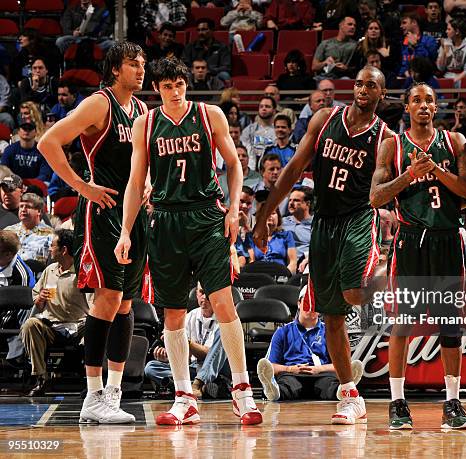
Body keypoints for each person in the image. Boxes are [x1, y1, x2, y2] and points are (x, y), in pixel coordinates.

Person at [114, 57, 262, 426]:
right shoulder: (144, 124)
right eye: (168, 86)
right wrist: (126, 231)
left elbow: (234, 163)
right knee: (174, 312)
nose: (176, 91)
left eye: (180, 84)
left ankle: (243, 392)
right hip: (165, 219)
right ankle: (183, 397)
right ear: (158, 89)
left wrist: (232, 208)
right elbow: (135, 183)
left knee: (223, 301)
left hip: (206, 216)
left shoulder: (210, 114)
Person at [253, 66, 394, 425]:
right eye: (360, 83)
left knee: (353, 295)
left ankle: (387, 271)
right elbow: (294, 168)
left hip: (359, 219)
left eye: (372, 85)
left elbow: (381, 187)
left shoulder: (385, 137)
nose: (364, 89)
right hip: (325, 224)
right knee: (331, 316)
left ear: (382, 94)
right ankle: (350, 395)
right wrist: (265, 212)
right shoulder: (324, 119)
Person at [39, 41, 149, 424]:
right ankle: (92, 395)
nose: (141, 69)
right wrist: (81, 186)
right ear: (116, 69)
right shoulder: (99, 104)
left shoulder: (142, 110)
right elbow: (48, 141)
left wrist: (147, 184)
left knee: (125, 303)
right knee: (107, 297)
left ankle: (113, 395)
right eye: (133, 64)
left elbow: (141, 162)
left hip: (133, 212)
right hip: (102, 210)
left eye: (143, 64)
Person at [370, 83, 466, 430]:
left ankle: (453, 403)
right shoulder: (392, 146)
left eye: (429, 100)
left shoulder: (455, 142)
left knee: (450, 324)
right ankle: (398, 403)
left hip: (447, 239)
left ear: (436, 107)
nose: (423, 105)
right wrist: (410, 175)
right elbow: (375, 197)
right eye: (417, 99)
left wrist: (437, 172)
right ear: (407, 107)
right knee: (403, 322)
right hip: (410, 241)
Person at [257, 286, 363, 401]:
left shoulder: (330, 332)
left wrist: (320, 369)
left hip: (322, 375)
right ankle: (274, 392)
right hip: (292, 375)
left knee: (329, 385)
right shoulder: (282, 332)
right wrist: (289, 369)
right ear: (299, 303)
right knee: (287, 385)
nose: (311, 307)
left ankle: (343, 390)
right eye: (307, 302)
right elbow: (270, 366)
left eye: (315, 303)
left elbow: (342, 365)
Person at [21, 229, 91, 396]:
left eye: (52, 245)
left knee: (94, 326)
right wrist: (40, 300)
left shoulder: (82, 271)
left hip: (79, 325)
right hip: (52, 326)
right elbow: (37, 300)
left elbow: (93, 304)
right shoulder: (49, 270)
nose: (49, 249)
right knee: (30, 324)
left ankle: (90, 380)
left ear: (64, 250)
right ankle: (41, 377)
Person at [144, 284, 231, 399]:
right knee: (151, 367)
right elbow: (186, 357)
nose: (204, 296)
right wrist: (169, 357)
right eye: (201, 292)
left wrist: (186, 341)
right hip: (194, 367)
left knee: (225, 332)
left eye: (208, 292)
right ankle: (205, 387)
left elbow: (209, 354)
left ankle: (194, 385)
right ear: (196, 294)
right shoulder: (190, 316)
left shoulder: (223, 317)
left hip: (219, 368)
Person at [5, 193, 54, 264]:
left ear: (39, 211)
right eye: (21, 206)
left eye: (28, 207)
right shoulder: (9, 231)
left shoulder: (50, 234)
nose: (23, 210)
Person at [248, 207, 297, 273]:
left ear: (278, 218)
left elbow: (292, 262)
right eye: (266, 213)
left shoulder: (287, 235)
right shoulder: (251, 236)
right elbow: (251, 262)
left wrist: (286, 275)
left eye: (273, 213)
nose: (270, 216)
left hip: (280, 274)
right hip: (259, 274)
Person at [312, 17, 358, 81]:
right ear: (341, 25)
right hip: (325, 77)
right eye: (349, 24)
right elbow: (314, 67)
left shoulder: (356, 46)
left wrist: (346, 68)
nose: (353, 27)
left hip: (344, 77)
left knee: (345, 80)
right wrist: (325, 62)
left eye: (354, 25)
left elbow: (358, 68)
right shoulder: (325, 43)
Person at [436, 19, 466, 85]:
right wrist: (444, 51)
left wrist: (452, 83)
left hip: (465, 79)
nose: (446, 31)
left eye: (449, 29)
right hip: (448, 77)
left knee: (458, 83)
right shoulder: (446, 44)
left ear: (457, 32)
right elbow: (440, 68)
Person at [397, 12, 439, 79]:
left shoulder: (430, 40)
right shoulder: (402, 42)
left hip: (425, 77)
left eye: (404, 23)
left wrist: (416, 45)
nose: (401, 26)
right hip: (406, 78)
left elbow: (428, 62)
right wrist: (403, 73)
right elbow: (403, 64)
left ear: (414, 22)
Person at [240, 97, 277, 169]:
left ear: (274, 110)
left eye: (267, 106)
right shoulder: (249, 130)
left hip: (271, 165)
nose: (264, 109)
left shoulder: (277, 130)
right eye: (261, 106)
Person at [282, 187, 313, 260]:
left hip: (307, 265)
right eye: (290, 200)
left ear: (307, 203)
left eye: (296, 200)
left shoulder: (315, 225)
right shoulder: (282, 222)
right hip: (283, 266)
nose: (291, 203)